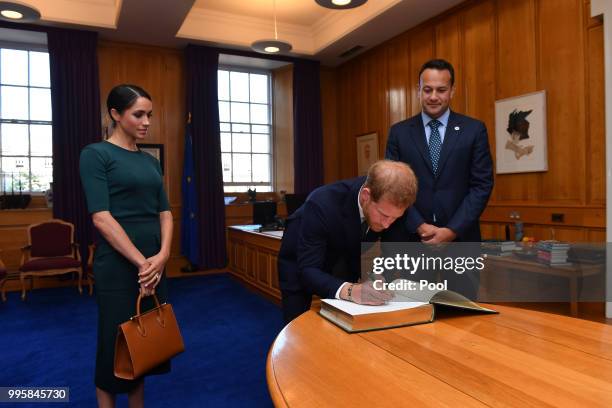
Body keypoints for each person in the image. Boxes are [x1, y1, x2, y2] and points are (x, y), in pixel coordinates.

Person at [80, 84, 173, 408]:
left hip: (153, 266)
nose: (147, 121)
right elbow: (101, 218)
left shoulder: (150, 162)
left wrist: (162, 256)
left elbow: (165, 213)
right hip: (120, 268)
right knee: (115, 343)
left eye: (149, 114)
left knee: (144, 346)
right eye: (138, 114)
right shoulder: (96, 154)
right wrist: (143, 263)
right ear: (115, 115)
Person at [278, 160, 418, 323]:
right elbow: (308, 271)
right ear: (366, 196)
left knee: (342, 319)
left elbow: (392, 253)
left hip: (346, 252)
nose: (388, 224)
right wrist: (351, 290)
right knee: (297, 322)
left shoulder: (393, 206)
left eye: (395, 218)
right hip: (300, 257)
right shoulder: (321, 203)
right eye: (384, 216)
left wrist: (381, 277)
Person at [385, 59, 493, 243]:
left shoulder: (474, 130)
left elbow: (481, 185)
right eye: (427, 90)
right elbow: (392, 186)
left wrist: (452, 230)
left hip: (461, 238)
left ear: (452, 91)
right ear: (418, 90)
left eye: (441, 90)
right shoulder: (399, 133)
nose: (433, 96)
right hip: (411, 238)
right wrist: (419, 225)